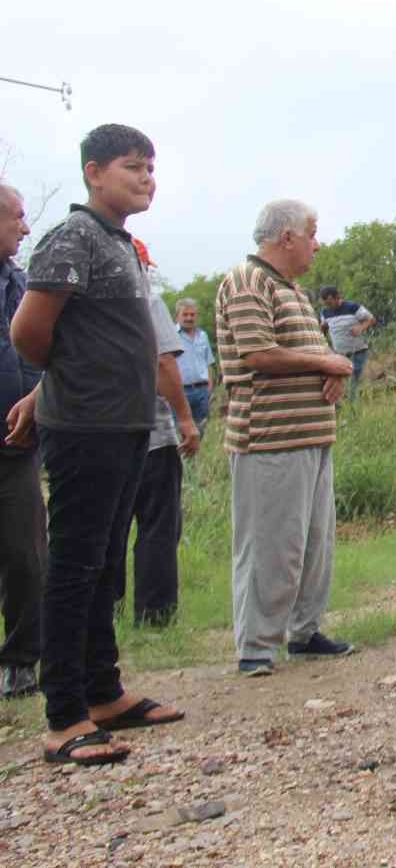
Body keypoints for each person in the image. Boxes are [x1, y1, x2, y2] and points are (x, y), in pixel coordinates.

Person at [11, 124, 185, 766]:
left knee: (106, 565)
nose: (147, 178)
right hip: (85, 426)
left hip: (125, 425)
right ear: (94, 172)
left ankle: (104, 693)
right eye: (134, 167)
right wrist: (58, 387)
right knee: (75, 566)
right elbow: (30, 331)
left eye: (151, 167)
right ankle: (63, 716)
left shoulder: (121, 244)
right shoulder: (73, 237)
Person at [216, 200, 356, 677]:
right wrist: (325, 364)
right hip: (270, 438)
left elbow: (312, 350)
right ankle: (256, 645)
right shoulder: (246, 281)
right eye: (312, 234)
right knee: (270, 544)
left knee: (314, 543)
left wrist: (332, 370)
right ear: (287, 237)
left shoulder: (292, 289)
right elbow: (257, 352)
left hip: (312, 435)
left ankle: (303, 632)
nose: (318, 244)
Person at [108, 240, 200, 629]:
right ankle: (155, 614)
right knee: (158, 526)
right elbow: (164, 361)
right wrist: (185, 419)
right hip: (152, 434)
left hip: (100, 432)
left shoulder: (85, 302)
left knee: (107, 528)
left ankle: (104, 613)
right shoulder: (147, 299)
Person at [0, 184, 45, 700]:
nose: (26, 228)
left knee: (26, 555)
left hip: (16, 446)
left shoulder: (22, 283)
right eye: (18, 217)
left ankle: (20, 660)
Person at [318, 286, 377, 399]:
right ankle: (345, 404)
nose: (328, 306)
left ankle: (353, 406)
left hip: (358, 351)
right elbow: (324, 327)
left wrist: (361, 327)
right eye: (326, 303)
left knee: (354, 379)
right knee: (338, 381)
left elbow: (371, 319)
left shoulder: (353, 307)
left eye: (330, 303)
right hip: (339, 353)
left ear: (337, 297)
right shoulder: (325, 312)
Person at [173, 298, 214, 435]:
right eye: (185, 314)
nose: (189, 318)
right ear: (177, 316)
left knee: (201, 431)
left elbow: (208, 362)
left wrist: (209, 388)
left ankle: (197, 457)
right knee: (181, 432)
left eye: (192, 314)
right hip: (180, 393)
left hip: (202, 392)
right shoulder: (171, 336)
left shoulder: (203, 336)